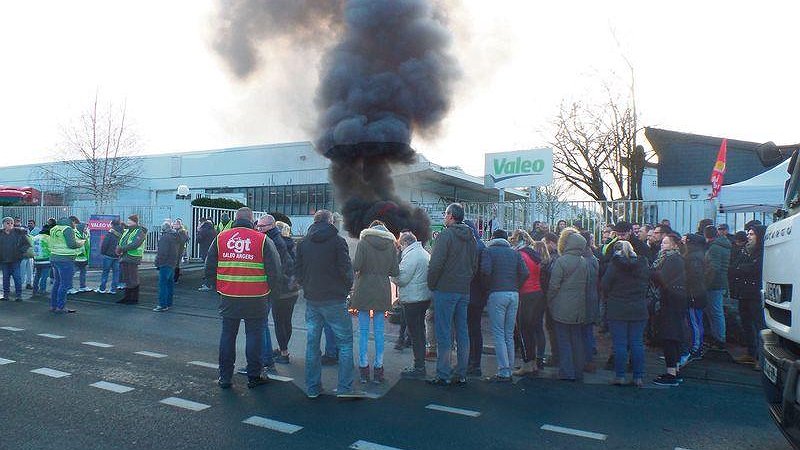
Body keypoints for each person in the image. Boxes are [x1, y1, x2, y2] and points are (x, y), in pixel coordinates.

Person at [205, 207, 282, 389]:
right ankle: (254, 376)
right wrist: (273, 292)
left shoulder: (221, 238)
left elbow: (209, 267)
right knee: (254, 336)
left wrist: (218, 288)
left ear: (235, 219)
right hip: (257, 296)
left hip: (229, 296)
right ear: (252, 220)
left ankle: (225, 377)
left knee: (228, 336)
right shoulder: (263, 240)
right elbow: (275, 270)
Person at [295, 209, 362, 398]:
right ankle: (345, 388)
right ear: (331, 221)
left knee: (312, 344)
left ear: (314, 221)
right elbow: (345, 269)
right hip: (335, 299)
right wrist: (346, 289)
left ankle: (313, 387)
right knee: (345, 344)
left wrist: (306, 286)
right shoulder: (338, 242)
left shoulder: (303, 243)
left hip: (312, 299)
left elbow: (298, 269)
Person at [426, 203, 478, 386]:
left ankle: (443, 373)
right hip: (463, 289)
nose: (444, 217)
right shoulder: (471, 237)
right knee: (462, 331)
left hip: (445, 289)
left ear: (450, 216)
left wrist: (432, 284)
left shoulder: (445, 235)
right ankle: (461, 372)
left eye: (445, 214)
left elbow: (436, 264)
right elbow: (474, 264)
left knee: (444, 332)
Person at [351, 220, 399, 384]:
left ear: (370, 229)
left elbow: (356, 266)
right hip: (382, 289)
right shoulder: (391, 245)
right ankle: (379, 369)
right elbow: (395, 271)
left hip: (364, 288)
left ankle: (364, 369)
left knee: (363, 331)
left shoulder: (363, 243)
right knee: (379, 331)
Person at [480, 229, 528, 382]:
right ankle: (509, 368)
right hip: (514, 294)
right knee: (508, 333)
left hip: (496, 293)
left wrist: (488, 287)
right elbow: (525, 273)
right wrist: (516, 286)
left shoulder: (488, 251)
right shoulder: (515, 253)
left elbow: (485, 271)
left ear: (493, 238)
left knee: (499, 333)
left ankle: (503, 370)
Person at [601, 240, 649, 387]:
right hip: (639, 307)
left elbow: (605, 285)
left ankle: (620, 376)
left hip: (618, 307)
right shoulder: (643, 264)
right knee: (637, 343)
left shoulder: (614, 265)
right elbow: (647, 283)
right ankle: (638, 377)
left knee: (620, 344)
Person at [547, 228, 589, 381]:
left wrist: (549, 300)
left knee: (563, 340)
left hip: (562, 306)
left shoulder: (561, 261)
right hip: (579, 306)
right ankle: (578, 371)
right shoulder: (584, 262)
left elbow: (554, 285)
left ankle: (566, 371)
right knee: (576, 340)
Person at [392, 231, 432, 379]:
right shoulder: (423, 253)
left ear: (405, 243)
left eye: (400, 246)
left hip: (412, 299)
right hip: (423, 297)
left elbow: (402, 279)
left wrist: (392, 275)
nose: (400, 249)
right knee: (420, 331)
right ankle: (420, 365)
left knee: (415, 333)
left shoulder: (411, 256)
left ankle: (418, 367)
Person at [651, 233, 688, 386]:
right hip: (676, 301)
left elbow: (662, 277)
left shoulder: (672, 259)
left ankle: (671, 373)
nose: (662, 245)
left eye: (665, 243)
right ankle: (675, 370)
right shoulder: (676, 259)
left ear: (674, 245)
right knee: (674, 336)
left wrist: (650, 272)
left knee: (670, 336)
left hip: (671, 302)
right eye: (662, 242)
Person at [730, 225, 767, 365]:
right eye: (748, 234)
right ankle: (751, 354)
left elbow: (756, 269)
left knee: (759, 326)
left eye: (752, 234)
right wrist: (742, 268)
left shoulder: (763, 251)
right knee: (746, 324)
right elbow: (735, 266)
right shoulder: (745, 251)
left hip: (755, 293)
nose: (748, 237)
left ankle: (761, 359)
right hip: (744, 292)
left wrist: (741, 268)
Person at [510, 230, 545, 376]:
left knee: (523, 331)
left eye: (512, 240)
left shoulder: (519, 255)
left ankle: (527, 364)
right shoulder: (533, 254)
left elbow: (520, 274)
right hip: (538, 293)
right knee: (532, 330)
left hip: (525, 294)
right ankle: (533, 363)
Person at [273, 221, 299, 364]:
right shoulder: (294, 245)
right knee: (287, 321)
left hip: (280, 290)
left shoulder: (276, 246)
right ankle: (283, 347)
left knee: (279, 322)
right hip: (293, 290)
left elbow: (277, 268)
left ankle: (284, 352)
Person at [48, 216, 85, 312]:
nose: (75, 226)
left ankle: (53, 306)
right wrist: (81, 243)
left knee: (57, 282)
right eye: (75, 224)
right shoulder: (68, 229)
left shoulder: (54, 228)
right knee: (64, 284)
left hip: (54, 257)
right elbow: (72, 245)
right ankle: (61, 307)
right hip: (65, 259)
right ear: (73, 222)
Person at [703, 225, 731, 350]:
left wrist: (705, 282)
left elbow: (714, 268)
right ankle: (718, 337)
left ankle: (719, 339)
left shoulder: (714, 247)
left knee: (715, 312)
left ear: (705, 235)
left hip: (714, 284)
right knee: (715, 312)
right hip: (720, 282)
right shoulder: (724, 245)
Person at [465, 219, 487, 377]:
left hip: (469, 293)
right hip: (479, 294)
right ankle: (475, 363)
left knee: (468, 329)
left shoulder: (471, 246)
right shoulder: (482, 246)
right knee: (475, 328)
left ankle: (470, 362)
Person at [684, 233, 708, 360]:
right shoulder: (699, 254)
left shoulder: (693, 257)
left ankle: (696, 348)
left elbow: (694, 276)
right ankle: (697, 346)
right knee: (697, 321)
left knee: (694, 322)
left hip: (694, 294)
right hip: (697, 293)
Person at [116, 214, 148, 305]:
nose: (128, 222)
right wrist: (118, 247)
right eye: (128, 220)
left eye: (130, 220)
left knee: (133, 278)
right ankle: (127, 297)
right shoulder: (127, 230)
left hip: (133, 257)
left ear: (135, 222)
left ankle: (134, 298)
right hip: (125, 256)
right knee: (127, 278)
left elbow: (135, 244)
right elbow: (121, 240)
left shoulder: (139, 231)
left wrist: (121, 249)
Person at [581, 230, 600, 373]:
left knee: (584, 332)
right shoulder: (592, 257)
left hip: (585, 299)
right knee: (587, 331)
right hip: (592, 297)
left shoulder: (585, 260)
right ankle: (588, 357)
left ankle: (587, 361)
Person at [0, 217, 31, 301]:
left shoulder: (18, 233)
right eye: (7, 223)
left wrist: (20, 251)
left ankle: (18, 295)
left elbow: (27, 244)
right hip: (4, 260)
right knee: (5, 278)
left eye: (11, 223)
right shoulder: (1, 233)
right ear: (3, 224)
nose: (10, 225)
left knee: (17, 277)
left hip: (15, 260)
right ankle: (6, 295)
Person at [154, 222, 179, 312]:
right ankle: (169, 303)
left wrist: (157, 262)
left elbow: (162, 252)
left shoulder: (164, 238)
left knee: (163, 285)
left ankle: (162, 305)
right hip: (172, 262)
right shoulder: (174, 236)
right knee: (169, 284)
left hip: (165, 263)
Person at [96, 220, 123, 294]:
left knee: (105, 272)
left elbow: (105, 243)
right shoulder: (123, 233)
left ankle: (102, 289)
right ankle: (113, 289)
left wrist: (103, 252)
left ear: (112, 225)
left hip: (108, 255)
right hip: (117, 256)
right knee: (116, 273)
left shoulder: (111, 233)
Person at [69, 219, 91, 293]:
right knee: (71, 273)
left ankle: (83, 286)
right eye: (85, 228)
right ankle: (69, 287)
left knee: (83, 273)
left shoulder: (85, 235)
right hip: (76, 258)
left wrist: (87, 258)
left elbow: (87, 247)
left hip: (84, 258)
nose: (86, 229)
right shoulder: (75, 235)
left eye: (86, 228)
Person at [32, 224, 52, 296]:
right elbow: (51, 248)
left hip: (36, 259)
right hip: (46, 260)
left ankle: (35, 289)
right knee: (44, 276)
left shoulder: (35, 237)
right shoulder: (48, 238)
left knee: (37, 275)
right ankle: (42, 290)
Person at [172, 219, 189, 283]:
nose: (175, 225)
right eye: (174, 224)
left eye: (176, 224)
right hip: (175, 250)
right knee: (175, 264)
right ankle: (174, 277)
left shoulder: (182, 232)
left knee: (176, 264)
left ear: (179, 225)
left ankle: (175, 278)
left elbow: (182, 240)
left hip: (179, 250)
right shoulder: (175, 232)